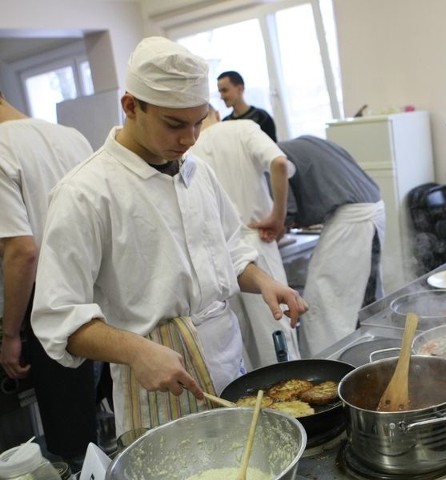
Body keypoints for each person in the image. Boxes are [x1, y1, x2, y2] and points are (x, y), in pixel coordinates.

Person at [30, 36, 307, 437]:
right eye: (175, 124)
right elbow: (59, 317)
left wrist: (263, 281)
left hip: (229, 364)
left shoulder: (198, 173)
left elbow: (228, 249)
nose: (191, 138)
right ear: (130, 106)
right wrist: (137, 351)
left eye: (199, 121)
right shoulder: (85, 194)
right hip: (158, 385)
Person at [0, 91, 100, 467]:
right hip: (97, 291)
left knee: (74, 442)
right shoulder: (70, 135)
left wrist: (11, 335)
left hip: (51, 304)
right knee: (107, 424)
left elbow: (22, 252)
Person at [253, 135, 385, 357]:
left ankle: (332, 365)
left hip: (352, 216)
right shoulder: (301, 143)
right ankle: (367, 355)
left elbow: (287, 210)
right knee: (361, 295)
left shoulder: (272, 161)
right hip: (373, 206)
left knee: (324, 302)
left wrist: (272, 230)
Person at [191, 107, 301, 369]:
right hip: (256, 241)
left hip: (218, 258)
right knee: (277, 336)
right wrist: (278, 215)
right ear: (216, 112)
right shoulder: (242, 129)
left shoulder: (187, 151)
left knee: (241, 351)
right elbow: (279, 162)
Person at [216, 71, 277, 142]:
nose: (221, 96)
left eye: (225, 90)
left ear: (240, 89)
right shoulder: (225, 123)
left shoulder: (262, 117)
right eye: (220, 91)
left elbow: (273, 149)